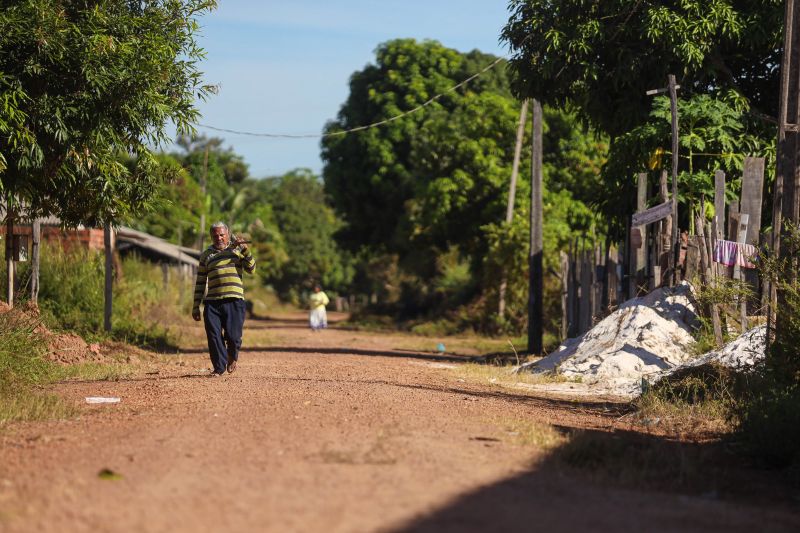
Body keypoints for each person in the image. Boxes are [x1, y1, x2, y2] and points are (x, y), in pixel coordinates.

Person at [192, 222, 256, 376]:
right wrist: (196, 306)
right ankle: (219, 368)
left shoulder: (236, 250)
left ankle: (232, 355)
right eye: (215, 235)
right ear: (211, 236)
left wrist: (245, 250)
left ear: (228, 234)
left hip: (234, 300)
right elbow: (200, 281)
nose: (219, 238)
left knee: (233, 337)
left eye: (222, 234)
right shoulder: (206, 255)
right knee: (213, 335)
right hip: (212, 302)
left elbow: (252, 269)